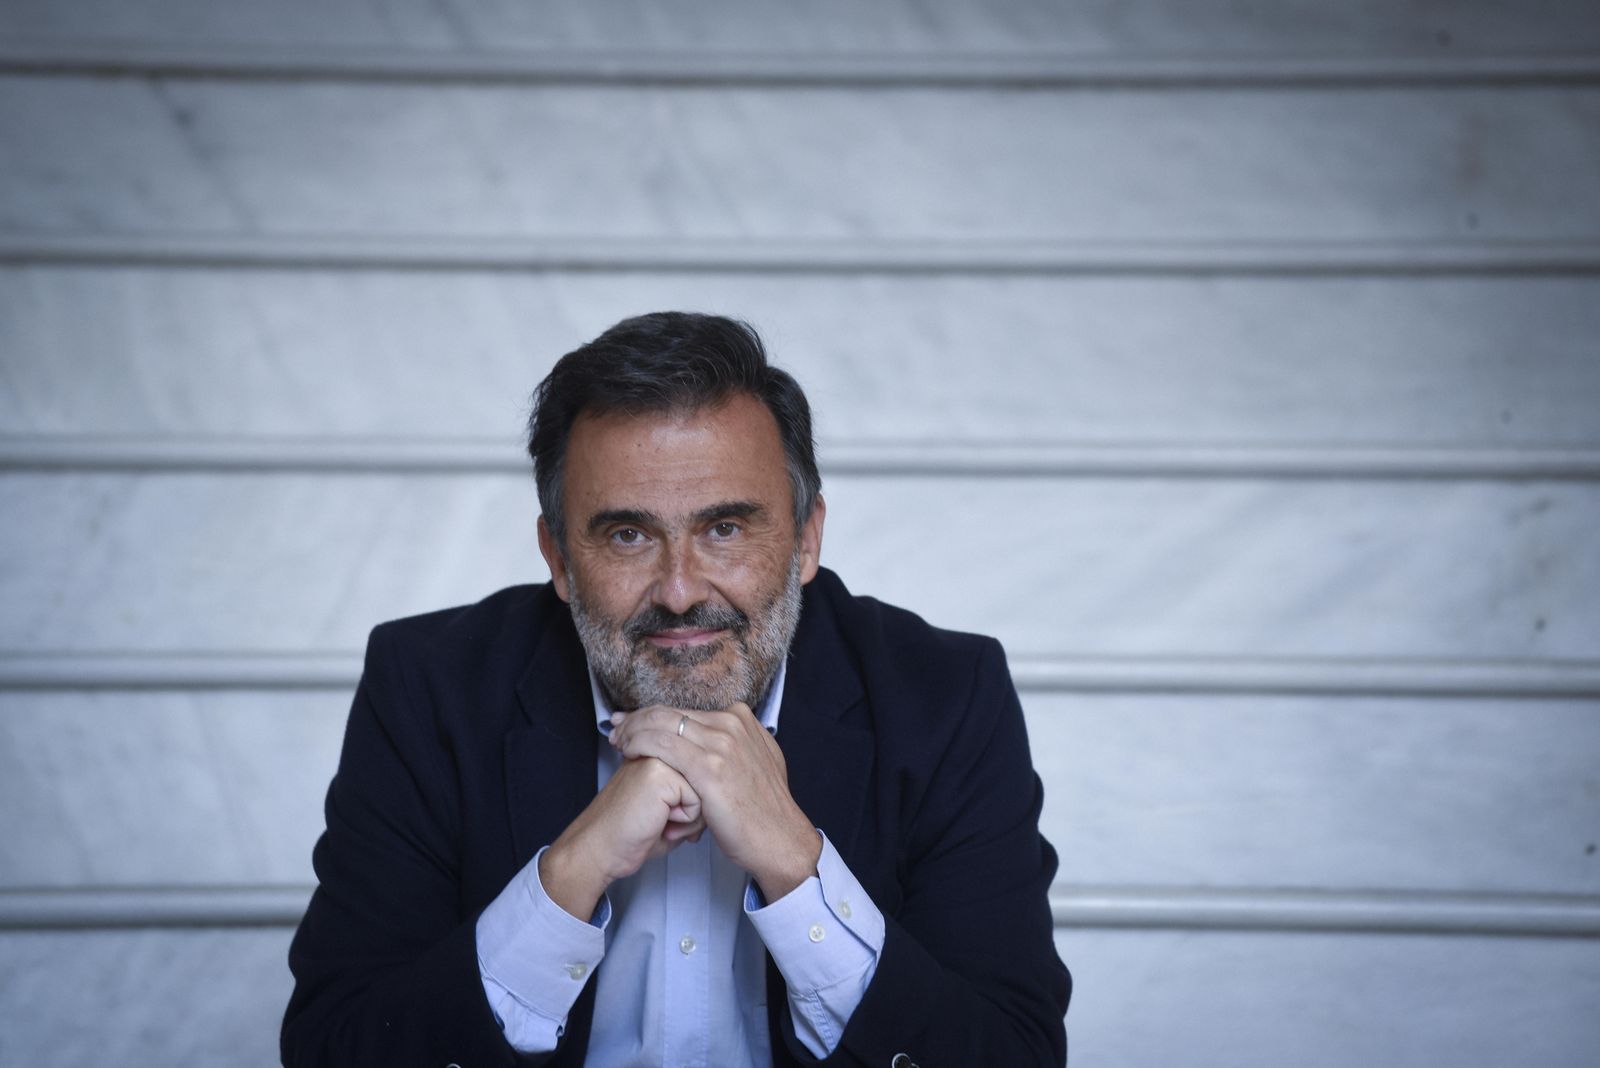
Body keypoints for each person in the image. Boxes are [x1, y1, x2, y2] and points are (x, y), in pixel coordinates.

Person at [281, 312, 1070, 1067]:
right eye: (628, 535)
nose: (683, 590)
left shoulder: (946, 697)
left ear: (806, 539)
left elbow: (1011, 1053)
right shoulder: (429, 686)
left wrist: (797, 864)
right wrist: (570, 874)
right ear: (557, 556)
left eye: (725, 528)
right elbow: (335, 1049)